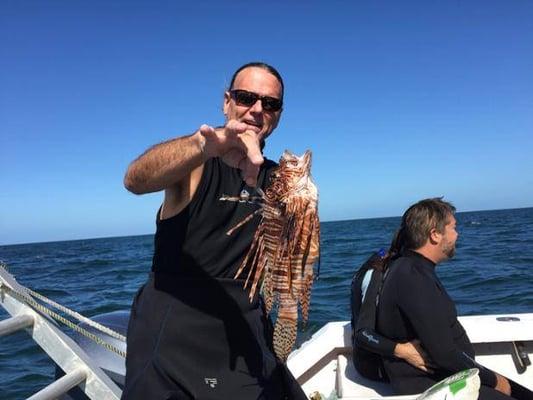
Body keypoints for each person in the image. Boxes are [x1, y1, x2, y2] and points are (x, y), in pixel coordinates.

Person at [122, 62, 307, 399]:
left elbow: (287, 260)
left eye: (270, 103)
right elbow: (135, 180)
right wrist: (209, 145)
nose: (256, 110)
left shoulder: (282, 181)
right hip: (177, 319)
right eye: (246, 97)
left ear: (278, 114)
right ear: (227, 101)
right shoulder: (194, 163)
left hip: (245, 321)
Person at [375, 198, 531, 400]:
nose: (457, 234)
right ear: (435, 235)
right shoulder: (413, 277)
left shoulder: (411, 268)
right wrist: (493, 380)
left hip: (446, 376)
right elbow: (444, 355)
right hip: (431, 385)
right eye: (453, 228)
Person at [350, 249, 433, 381]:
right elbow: (362, 333)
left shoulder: (381, 263)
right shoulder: (376, 274)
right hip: (371, 362)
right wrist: (404, 351)